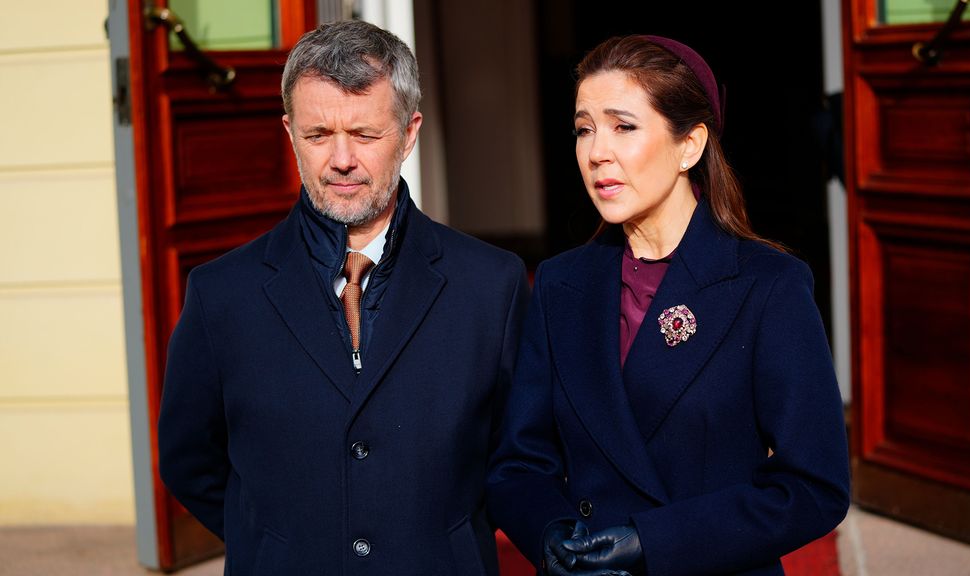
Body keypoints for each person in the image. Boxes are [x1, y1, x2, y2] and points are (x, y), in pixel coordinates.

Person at [158, 20, 528, 575]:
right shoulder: (220, 296)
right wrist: (277, 542)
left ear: (409, 133)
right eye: (317, 135)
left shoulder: (491, 285)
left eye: (364, 134)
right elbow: (191, 460)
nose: (341, 160)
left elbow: (516, 457)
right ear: (289, 133)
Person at [487, 35, 849, 576]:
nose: (595, 152)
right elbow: (520, 463)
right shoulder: (561, 284)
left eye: (623, 126)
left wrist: (652, 541)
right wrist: (550, 534)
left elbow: (814, 485)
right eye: (584, 129)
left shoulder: (768, 286)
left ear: (690, 145)